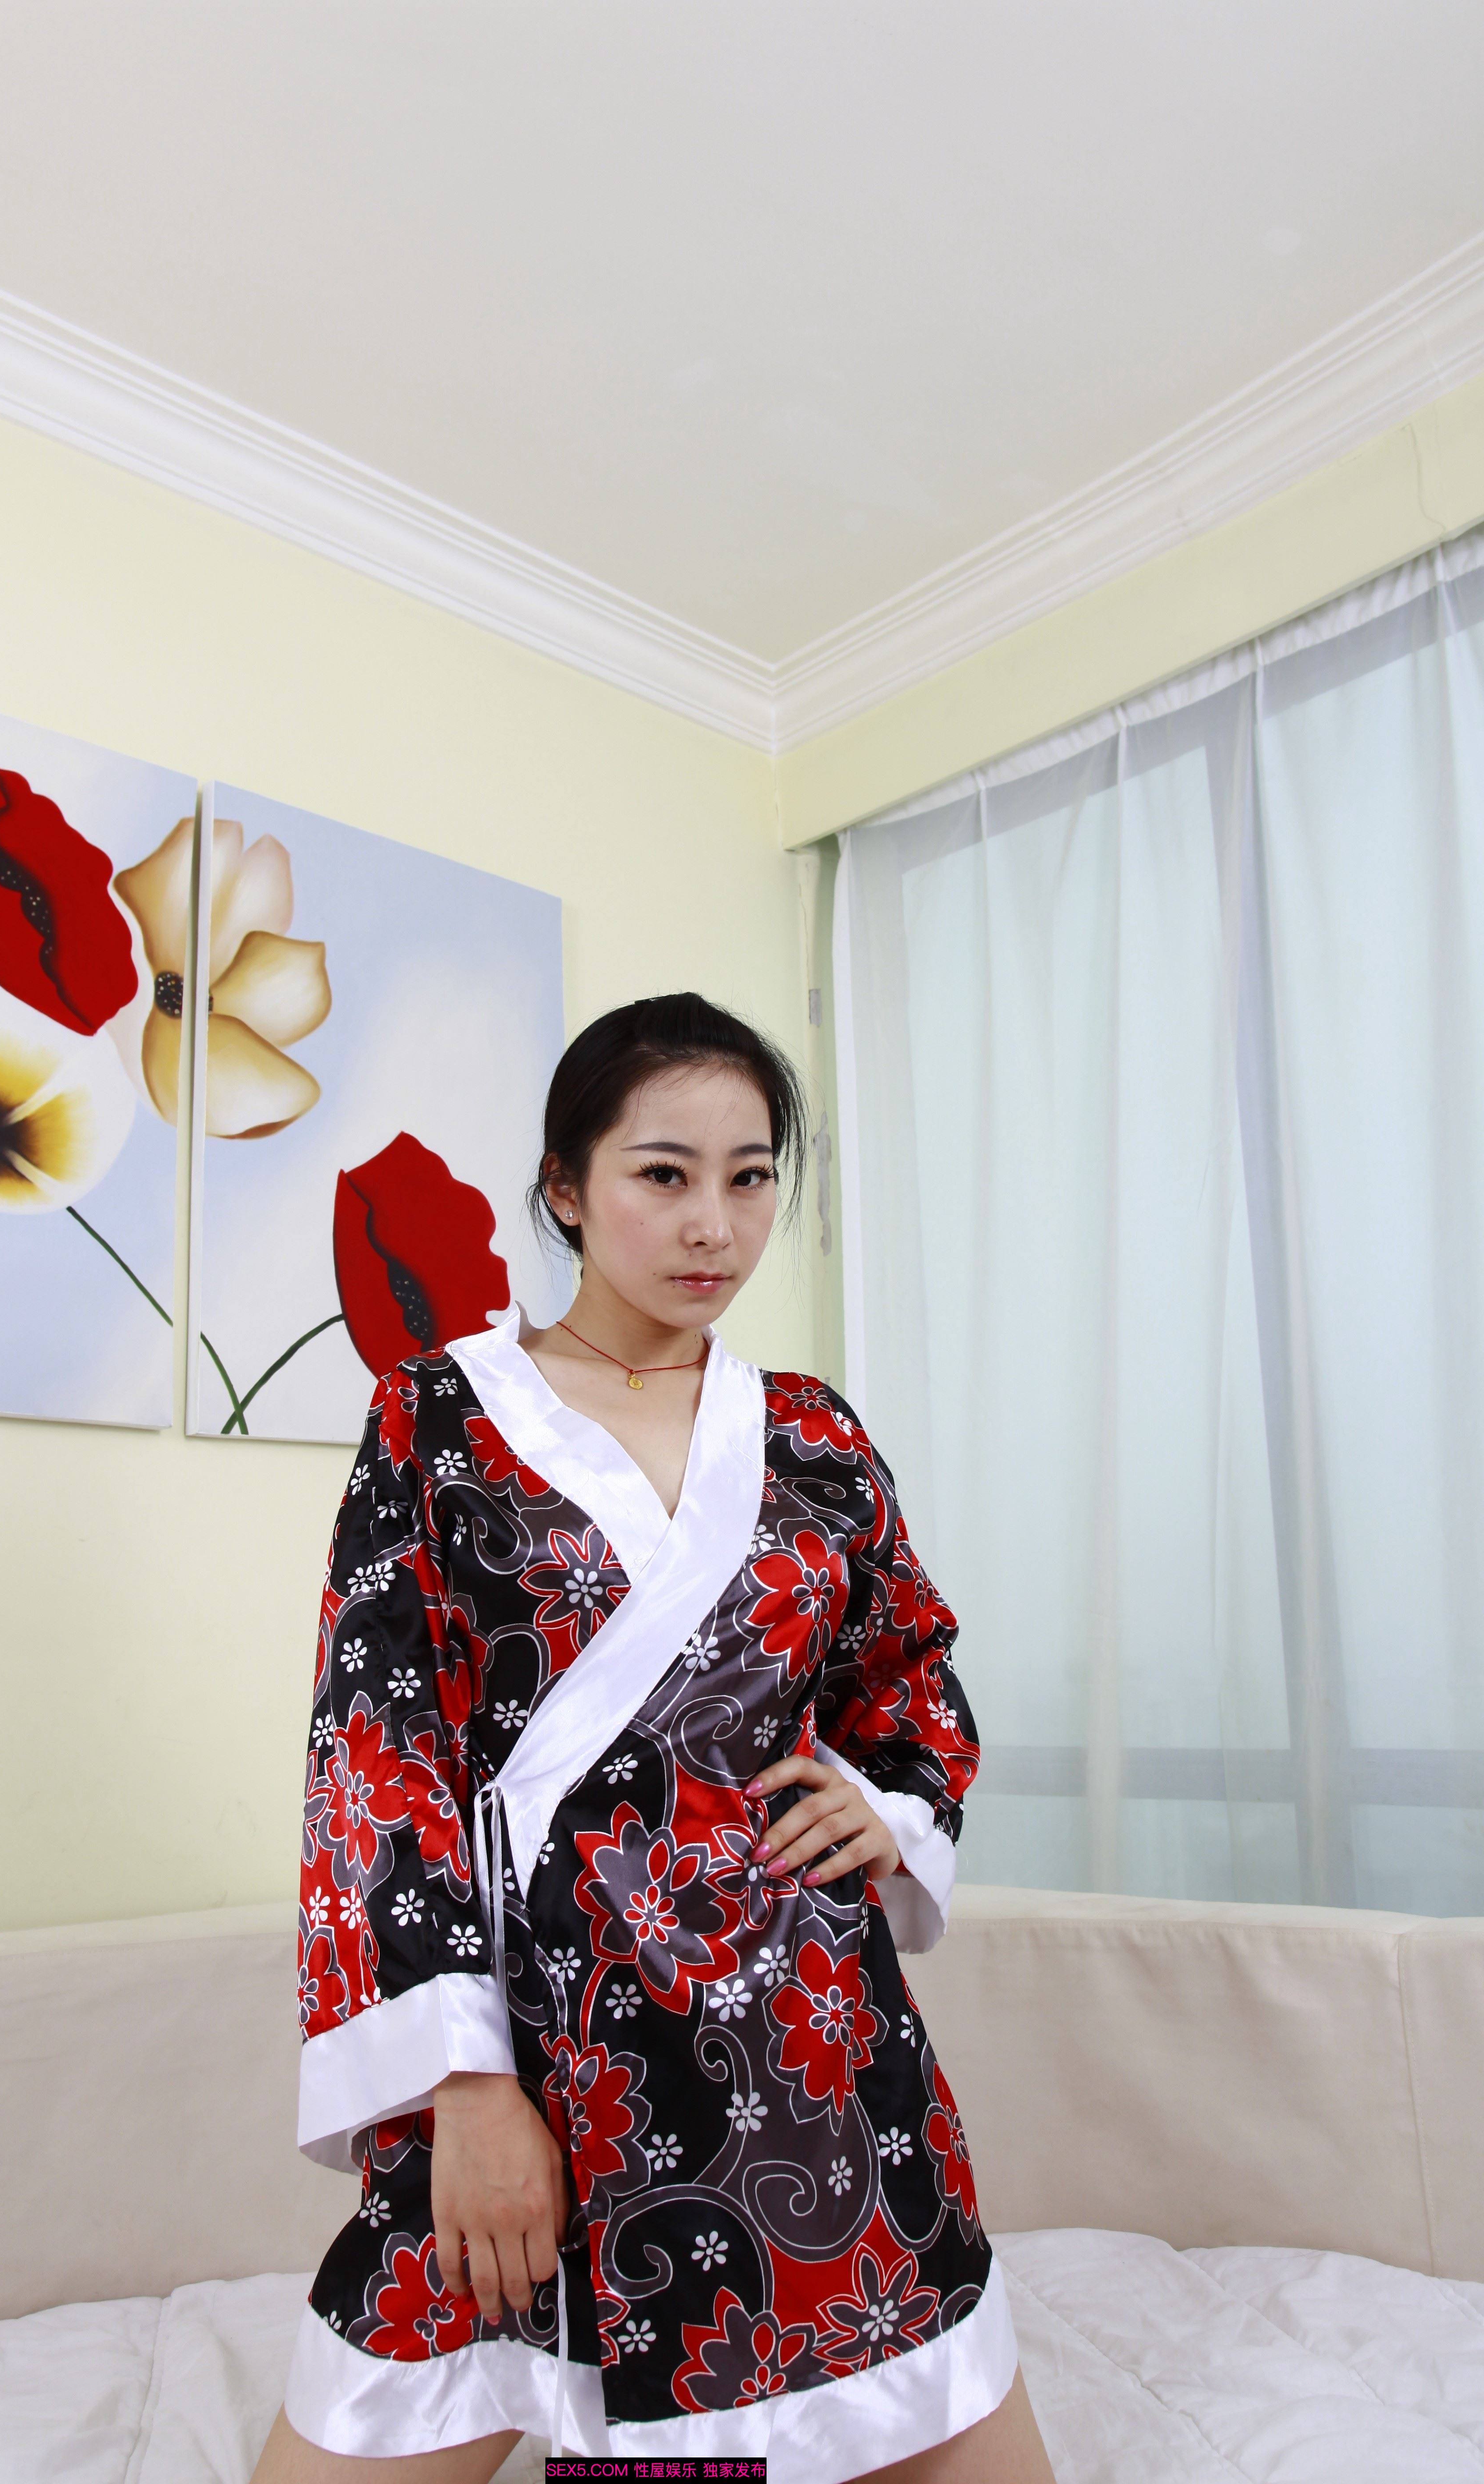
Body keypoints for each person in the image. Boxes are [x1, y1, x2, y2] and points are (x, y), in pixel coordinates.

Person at [253, 993, 1054, 2484]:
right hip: (537, 2051)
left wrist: (889, 1805)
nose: (714, 1226)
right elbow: (377, 1759)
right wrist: (466, 2088)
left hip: (810, 2048)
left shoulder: (815, 1433)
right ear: (566, 1187)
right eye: (664, 1174)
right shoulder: (436, 1418)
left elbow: (908, 1674)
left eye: (751, 1178)